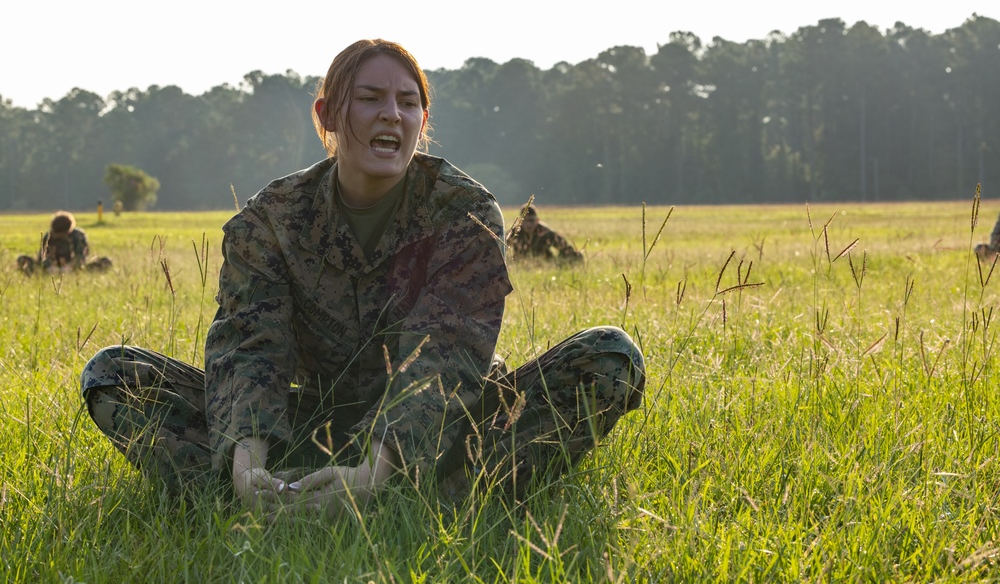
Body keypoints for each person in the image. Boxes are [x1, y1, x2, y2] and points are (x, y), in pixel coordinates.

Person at [80, 39, 644, 518]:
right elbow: (251, 350)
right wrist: (247, 464)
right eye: (370, 99)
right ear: (327, 116)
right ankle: (266, 495)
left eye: (407, 103)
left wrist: (377, 471)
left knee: (610, 359)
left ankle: (400, 495)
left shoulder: (463, 213)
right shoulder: (270, 220)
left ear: (422, 123)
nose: (391, 115)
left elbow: (444, 357)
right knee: (112, 375)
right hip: (312, 419)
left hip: (442, 429)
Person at [17, 210, 112, 275]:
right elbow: (42, 257)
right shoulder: (48, 235)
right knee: (21, 260)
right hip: (50, 269)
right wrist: (50, 267)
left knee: (106, 262)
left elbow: (81, 257)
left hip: (74, 269)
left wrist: (70, 268)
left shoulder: (79, 236)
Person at [505, 205, 584, 264]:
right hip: (520, 265)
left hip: (546, 264)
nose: (529, 225)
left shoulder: (546, 232)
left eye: (531, 221)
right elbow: (500, 249)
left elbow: (566, 248)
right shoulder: (514, 232)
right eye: (525, 221)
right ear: (519, 221)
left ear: (538, 220)